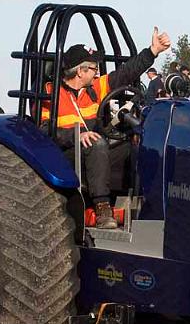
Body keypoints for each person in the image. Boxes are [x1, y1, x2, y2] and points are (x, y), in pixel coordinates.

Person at [41, 27, 171, 229]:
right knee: (97, 143)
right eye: (93, 68)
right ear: (80, 71)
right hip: (63, 156)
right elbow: (43, 131)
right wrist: (76, 135)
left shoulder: (95, 88)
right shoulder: (50, 94)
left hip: (91, 153)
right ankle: (102, 207)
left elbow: (126, 72)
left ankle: (141, 202)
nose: (97, 73)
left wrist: (152, 51)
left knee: (134, 145)